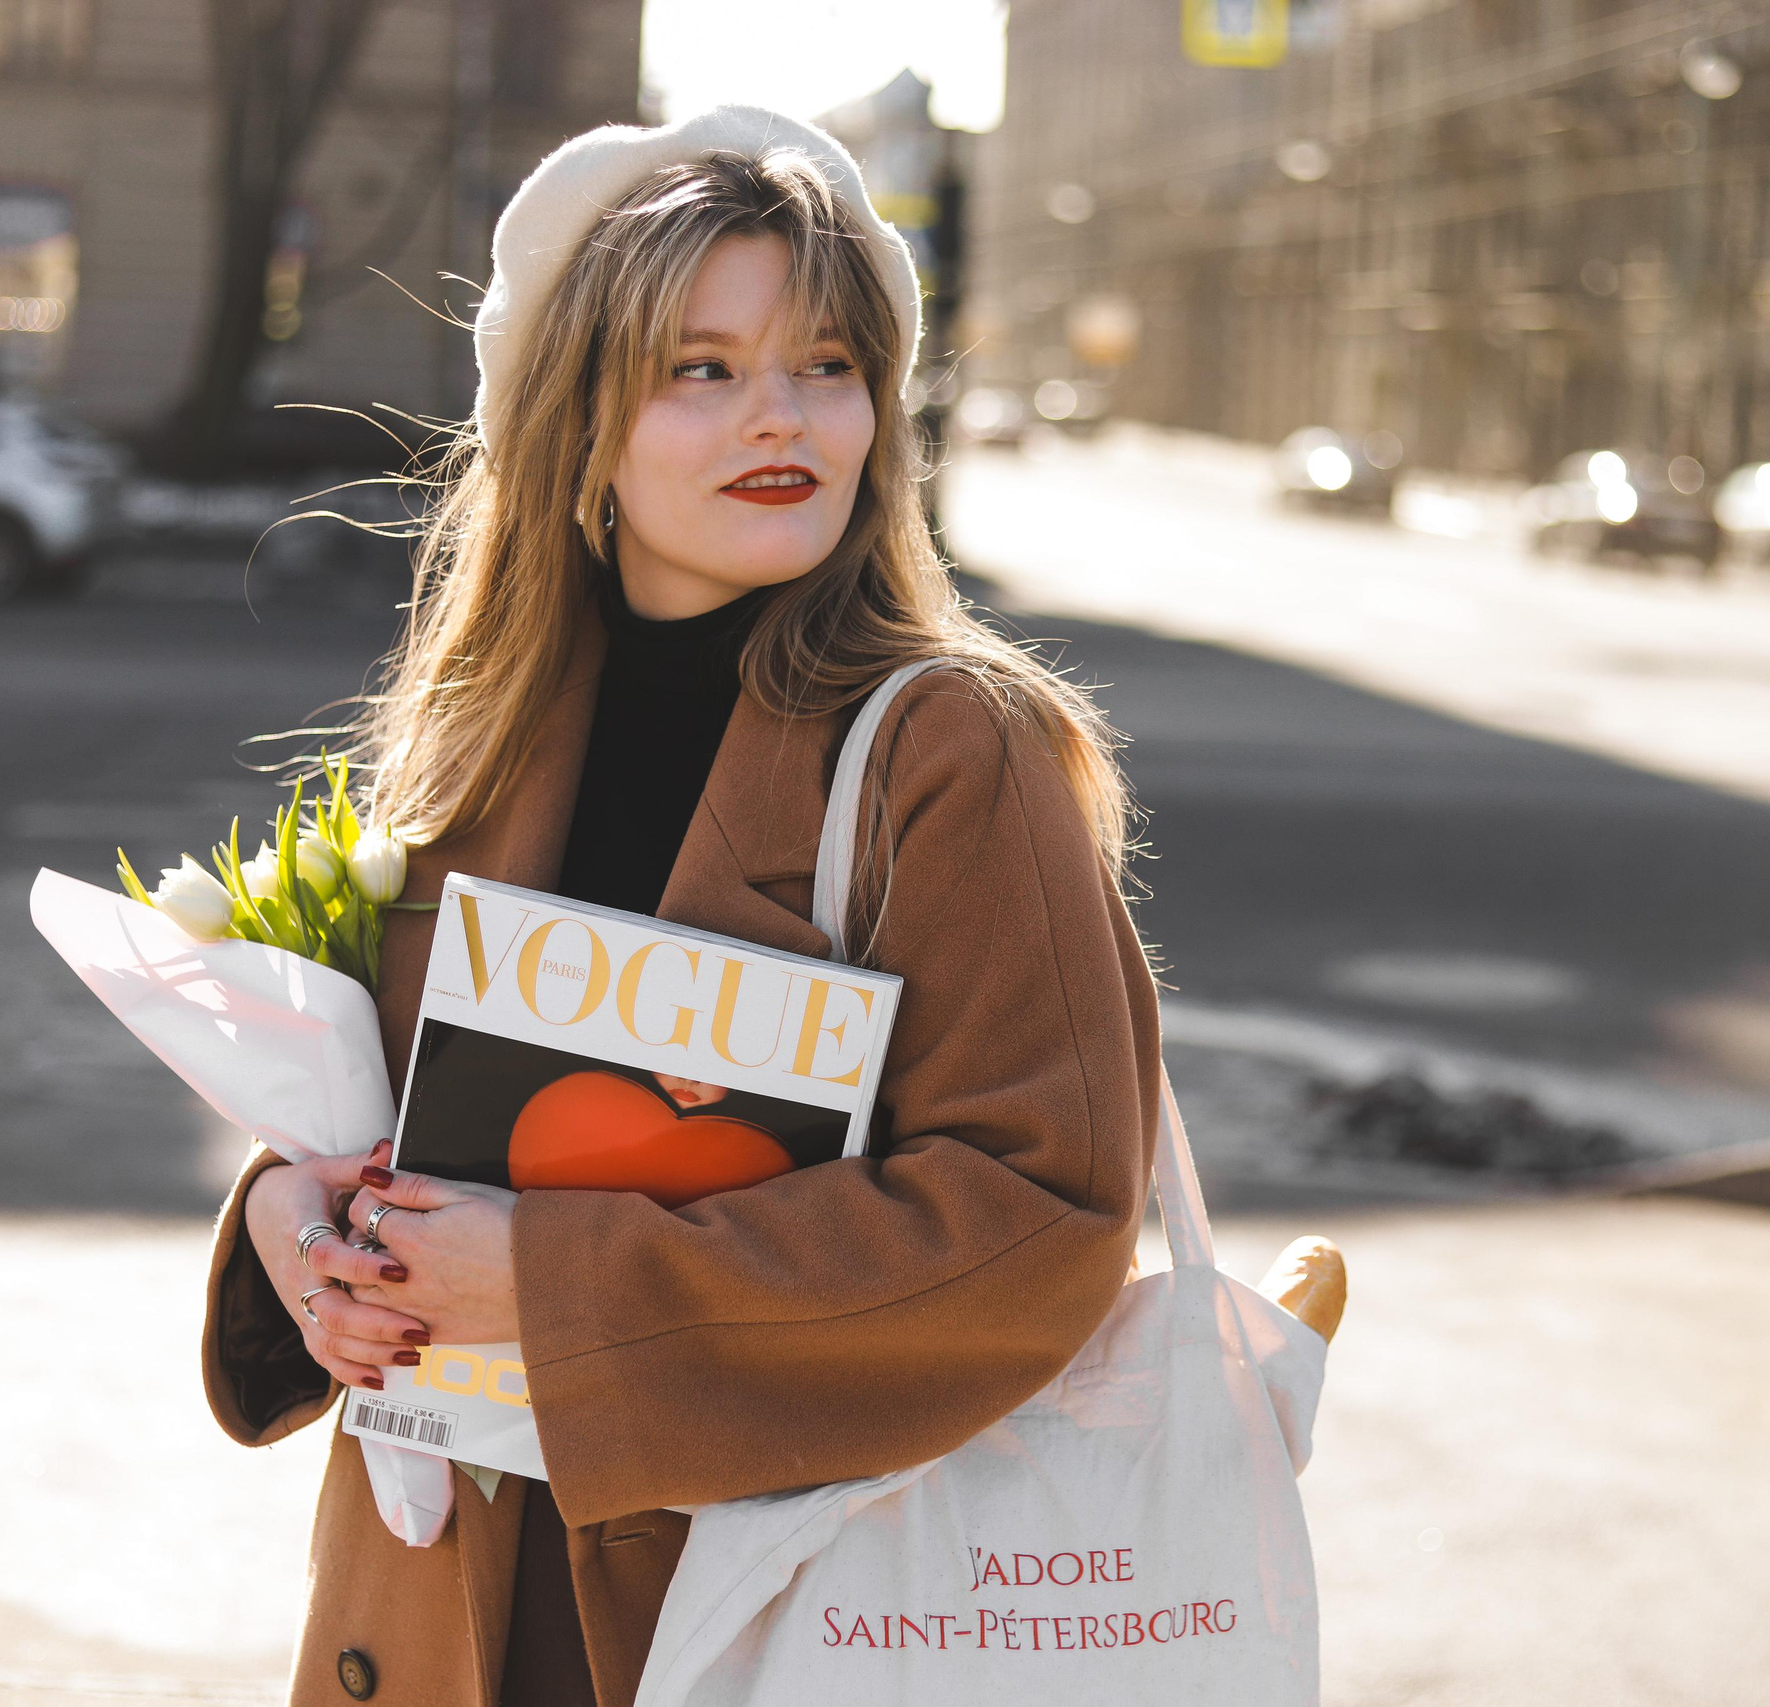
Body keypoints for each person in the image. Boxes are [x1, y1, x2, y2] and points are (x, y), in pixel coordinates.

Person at [195, 107, 1159, 1707]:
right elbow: (396, 1120)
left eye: (829, 362)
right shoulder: (483, 731)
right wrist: (294, 1232)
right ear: (581, 421)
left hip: (750, 1615)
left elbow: (1041, 1213)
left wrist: (561, 1289)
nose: (782, 418)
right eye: (700, 369)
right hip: (440, 1587)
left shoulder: (943, 745)